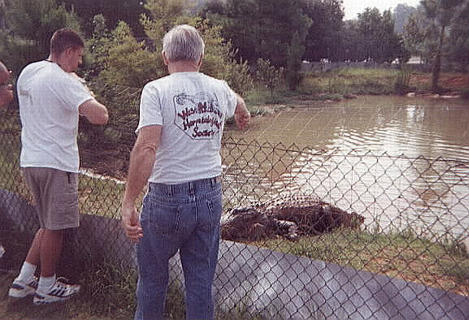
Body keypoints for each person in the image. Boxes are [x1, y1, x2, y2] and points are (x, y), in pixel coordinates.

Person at [121, 24, 250, 320]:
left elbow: (146, 149)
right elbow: (236, 100)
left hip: (167, 199)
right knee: (201, 283)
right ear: (200, 58)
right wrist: (242, 110)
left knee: (153, 279)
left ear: (165, 57)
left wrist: (129, 201)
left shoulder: (156, 90)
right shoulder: (218, 87)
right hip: (209, 197)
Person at [8, 28, 109, 305]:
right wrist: (83, 88)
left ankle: (24, 280)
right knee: (56, 228)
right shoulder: (65, 81)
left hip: (31, 160)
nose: (79, 63)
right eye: (78, 56)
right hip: (57, 163)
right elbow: (101, 116)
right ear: (67, 52)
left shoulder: (30, 72)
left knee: (46, 224)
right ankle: (47, 287)